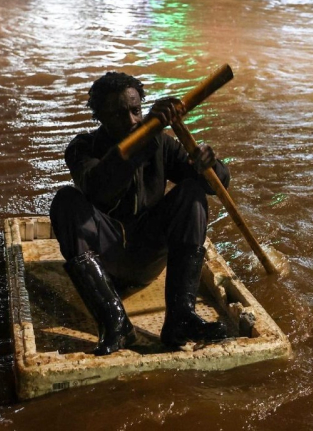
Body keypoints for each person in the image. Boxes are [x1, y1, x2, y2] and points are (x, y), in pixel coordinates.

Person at [49, 72, 230, 355]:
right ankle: (115, 322)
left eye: (136, 111)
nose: (132, 121)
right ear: (101, 118)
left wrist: (209, 164)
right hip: (105, 261)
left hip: (148, 257)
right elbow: (98, 187)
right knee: (64, 200)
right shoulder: (82, 148)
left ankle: (180, 318)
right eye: (120, 115)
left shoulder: (162, 144)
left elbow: (213, 186)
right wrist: (144, 136)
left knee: (192, 191)